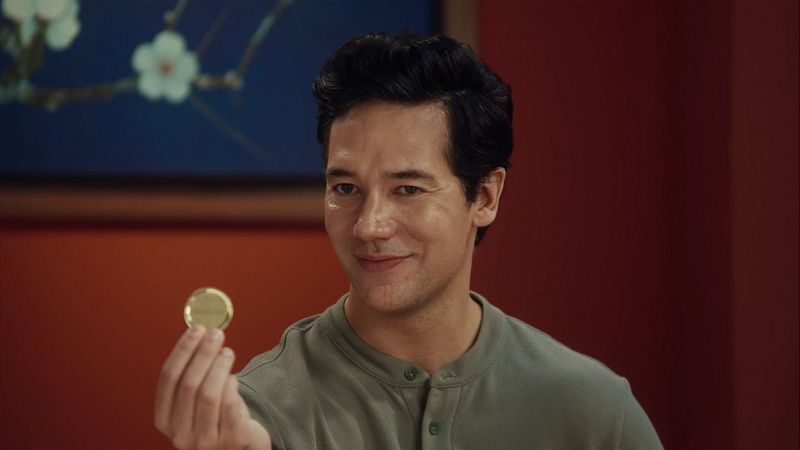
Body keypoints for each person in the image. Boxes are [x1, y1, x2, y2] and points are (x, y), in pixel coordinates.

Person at [154, 32, 663, 450]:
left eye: (409, 189)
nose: (369, 226)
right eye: (346, 188)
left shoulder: (594, 412)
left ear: (485, 196)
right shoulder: (254, 418)